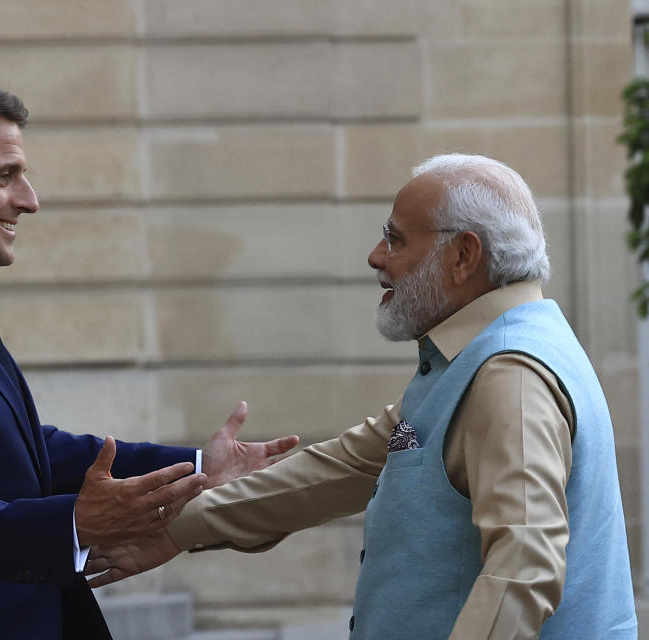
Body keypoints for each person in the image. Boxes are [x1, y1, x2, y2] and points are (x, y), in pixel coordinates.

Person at [0, 79, 299, 639]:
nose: (29, 199)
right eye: (4, 176)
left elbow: (22, 451)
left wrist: (196, 467)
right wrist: (73, 522)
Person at [86, 154, 639, 639]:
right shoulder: (482, 356)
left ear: (463, 256)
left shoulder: (507, 375)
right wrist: (174, 529)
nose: (376, 256)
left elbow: (524, 566)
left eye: (396, 238)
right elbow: (343, 470)